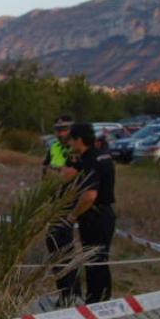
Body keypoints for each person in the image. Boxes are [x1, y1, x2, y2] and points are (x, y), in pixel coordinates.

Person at [62, 123, 117, 304]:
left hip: (95, 216)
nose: (69, 143)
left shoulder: (90, 160)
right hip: (105, 214)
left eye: (71, 139)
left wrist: (72, 216)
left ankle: (96, 304)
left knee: (94, 263)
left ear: (79, 140)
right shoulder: (102, 155)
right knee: (100, 261)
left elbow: (89, 196)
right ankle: (101, 301)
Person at [43, 115, 79, 304]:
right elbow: (45, 172)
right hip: (55, 203)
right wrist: (57, 173)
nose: (60, 133)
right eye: (57, 129)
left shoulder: (76, 149)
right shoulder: (53, 147)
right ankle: (65, 291)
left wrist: (55, 172)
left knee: (65, 248)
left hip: (71, 203)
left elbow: (71, 175)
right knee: (54, 247)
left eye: (64, 129)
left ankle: (71, 292)